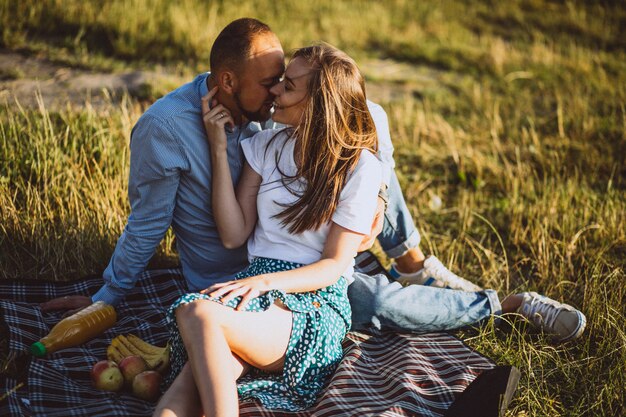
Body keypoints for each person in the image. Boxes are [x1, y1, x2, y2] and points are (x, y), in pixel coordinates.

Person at [39, 18, 585, 345]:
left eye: (285, 82)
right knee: (372, 303)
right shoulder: (168, 131)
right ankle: (501, 304)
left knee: (359, 137)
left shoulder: (272, 123)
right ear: (228, 82)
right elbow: (147, 225)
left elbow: (360, 120)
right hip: (243, 271)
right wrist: (105, 297)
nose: (277, 91)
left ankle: (417, 263)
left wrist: (369, 198)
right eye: (269, 83)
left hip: (312, 258)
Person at [155, 43, 381, 416]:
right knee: (183, 394)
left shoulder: (358, 168)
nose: (275, 90)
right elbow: (234, 233)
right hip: (253, 289)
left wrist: (265, 283)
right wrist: (216, 147)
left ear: (318, 105)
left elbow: (334, 265)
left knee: (197, 312)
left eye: (288, 86)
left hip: (312, 301)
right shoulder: (266, 146)